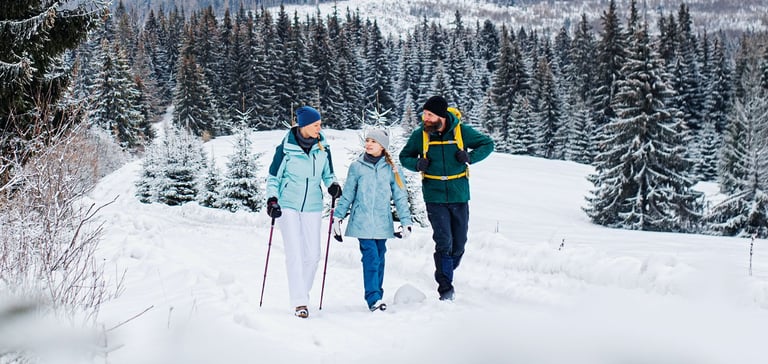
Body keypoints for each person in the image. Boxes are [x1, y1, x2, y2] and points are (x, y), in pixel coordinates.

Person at [398, 96, 494, 301]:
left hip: (459, 193)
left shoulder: (461, 131)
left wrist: (469, 157)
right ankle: (445, 289)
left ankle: (446, 269)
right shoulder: (420, 135)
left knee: (459, 244)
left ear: (441, 116)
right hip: (434, 195)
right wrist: (416, 165)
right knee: (444, 242)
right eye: (424, 114)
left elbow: (488, 144)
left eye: (429, 115)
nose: (425, 118)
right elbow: (404, 157)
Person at [265, 105, 342, 319]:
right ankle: (299, 302)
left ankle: (302, 294)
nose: (320, 128)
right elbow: (273, 177)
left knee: (313, 255)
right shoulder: (285, 149)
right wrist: (272, 199)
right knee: (295, 253)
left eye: (320, 124)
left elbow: (329, 174)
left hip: (313, 205)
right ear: (304, 125)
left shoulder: (323, 147)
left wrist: (332, 185)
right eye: (316, 125)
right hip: (288, 204)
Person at [332, 129, 413, 312]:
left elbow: (400, 197)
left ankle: (377, 293)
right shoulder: (357, 167)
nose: (368, 144)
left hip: (382, 222)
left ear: (382, 146)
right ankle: (373, 298)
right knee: (371, 258)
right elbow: (348, 194)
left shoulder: (393, 169)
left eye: (373, 141)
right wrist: (338, 217)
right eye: (367, 140)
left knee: (380, 257)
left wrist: (406, 221)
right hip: (362, 220)